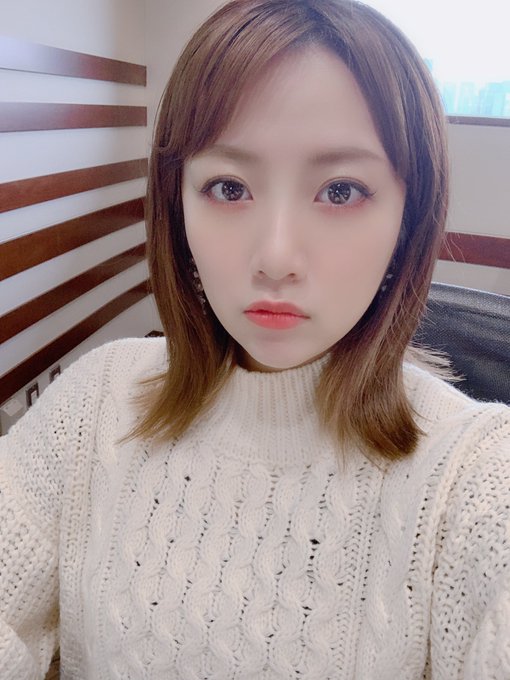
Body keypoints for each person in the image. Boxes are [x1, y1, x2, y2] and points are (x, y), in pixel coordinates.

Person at [0, 0, 509, 678]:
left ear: (407, 219)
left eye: (341, 191)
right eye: (229, 186)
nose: (274, 258)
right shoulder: (93, 403)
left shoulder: (473, 478)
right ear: (176, 203)